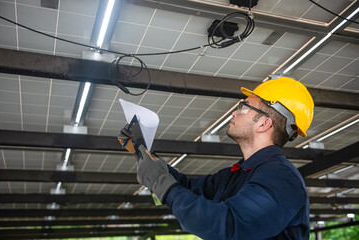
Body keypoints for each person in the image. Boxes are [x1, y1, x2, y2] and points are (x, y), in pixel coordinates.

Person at [118, 77, 314, 239]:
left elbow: (228, 225)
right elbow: (187, 187)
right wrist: (143, 153)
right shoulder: (236, 174)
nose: (235, 112)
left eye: (244, 107)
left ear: (264, 123)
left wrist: (162, 184)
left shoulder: (281, 179)